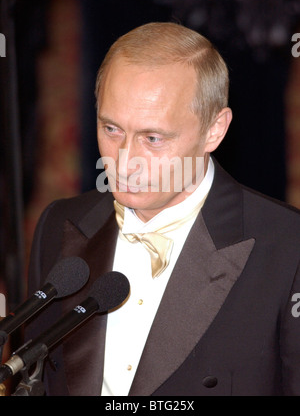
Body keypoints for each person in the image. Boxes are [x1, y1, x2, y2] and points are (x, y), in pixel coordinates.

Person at [26, 22, 300, 396]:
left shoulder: (287, 249)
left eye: (152, 138)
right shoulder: (59, 224)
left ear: (214, 131)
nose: (125, 162)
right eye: (111, 129)